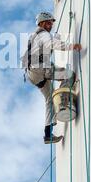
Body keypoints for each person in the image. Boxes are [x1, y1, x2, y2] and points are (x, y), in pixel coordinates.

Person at [21, 11, 82, 144]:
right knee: (69, 75)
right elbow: (52, 44)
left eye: (51, 23)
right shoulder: (43, 34)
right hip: (41, 69)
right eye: (48, 23)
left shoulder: (34, 37)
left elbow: (46, 48)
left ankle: (47, 135)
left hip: (33, 75)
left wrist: (57, 38)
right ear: (42, 23)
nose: (50, 25)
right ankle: (64, 103)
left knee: (49, 100)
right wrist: (72, 46)